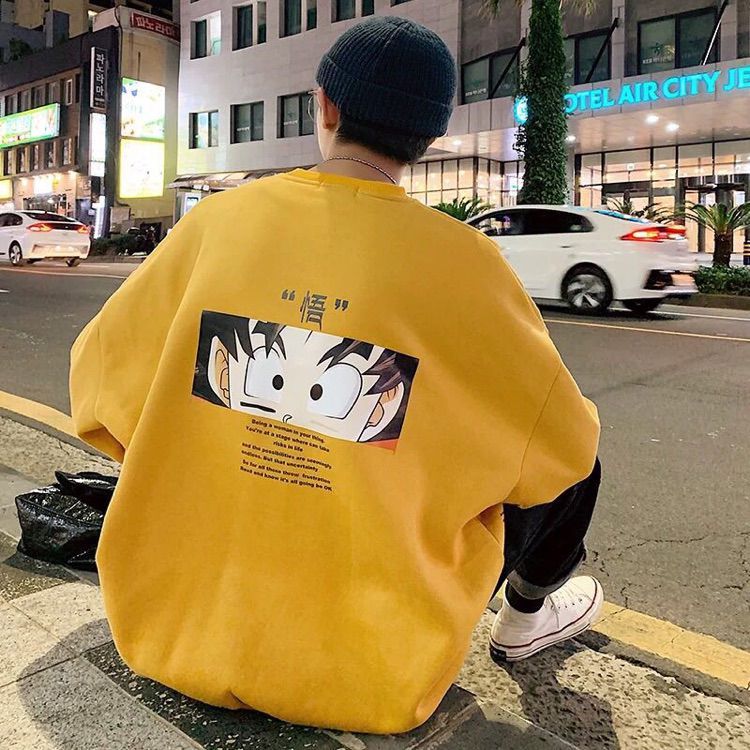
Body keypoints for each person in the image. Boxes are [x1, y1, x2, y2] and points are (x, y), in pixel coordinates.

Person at [69, 16, 602, 735]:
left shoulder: (218, 222)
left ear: (325, 105)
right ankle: (528, 616)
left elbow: (96, 385)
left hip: (165, 631)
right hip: (371, 674)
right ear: (428, 137)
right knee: (578, 464)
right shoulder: (466, 263)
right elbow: (563, 448)